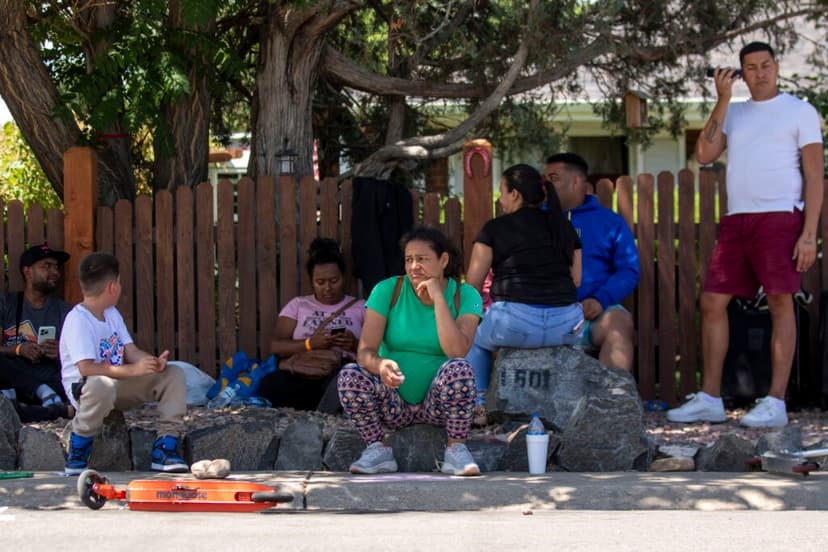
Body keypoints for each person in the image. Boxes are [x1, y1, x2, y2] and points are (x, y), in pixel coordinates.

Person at [667, 42, 824, 428]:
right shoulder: (734, 113)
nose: (759, 73)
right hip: (737, 220)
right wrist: (722, 99)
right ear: (741, 73)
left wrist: (809, 234)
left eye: (766, 65)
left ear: (777, 67)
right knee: (712, 302)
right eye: (750, 68)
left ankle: (775, 402)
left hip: (780, 217)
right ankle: (710, 398)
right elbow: (704, 154)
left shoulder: (799, 110)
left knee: (780, 304)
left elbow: (815, 176)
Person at [337, 226, 483, 475]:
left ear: (444, 260)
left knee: (460, 369)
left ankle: (456, 450)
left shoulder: (464, 295)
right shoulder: (387, 290)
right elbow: (365, 352)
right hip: (393, 404)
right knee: (350, 375)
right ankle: (377, 448)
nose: (414, 266)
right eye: (409, 259)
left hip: (437, 407)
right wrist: (381, 365)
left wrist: (438, 298)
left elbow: (456, 350)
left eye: (422, 259)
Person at [465, 164, 584, 421]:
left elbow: (473, 283)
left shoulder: (495, 228)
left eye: (502, 192)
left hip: (513, 323)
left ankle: (479, 403)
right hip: (566, 324)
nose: (500, 198)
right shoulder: (564, 227)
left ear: (515, 194)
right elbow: (576, 280)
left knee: (471, 337)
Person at [60, 252, 188, 474]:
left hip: (118, 385)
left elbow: (131, 351)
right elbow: (86, 368)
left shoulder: (111, 314)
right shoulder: (77, 320)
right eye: (119, 283)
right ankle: (78, 450)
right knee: (102, 384)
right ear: (112, 287)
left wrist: (150, 363)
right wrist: (133, 370)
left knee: (174, 374)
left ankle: (165, 448)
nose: (120, 287)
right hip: (90, 391)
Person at [544, 153, 640, 373]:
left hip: (591, 317)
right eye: (545, 180)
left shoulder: (609, 222)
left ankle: (608, 399)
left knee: (620, 322)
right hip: (544, 317)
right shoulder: (536, 220)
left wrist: (600, 299)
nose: (546, 186)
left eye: (553, 178)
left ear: (576, 182)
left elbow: (629, 269)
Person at [259, 238, 365, 411]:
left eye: (334, 280)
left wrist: (353, 344)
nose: (327, 288)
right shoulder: (298, 305)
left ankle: (324, 406)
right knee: (271, 384)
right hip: (304, 369)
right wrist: (309, 344)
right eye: (320, 282)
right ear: (311, 281)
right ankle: (324, 407)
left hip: (340, 370)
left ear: (344, 277)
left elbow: (378, 350)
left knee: (346, 381)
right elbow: (275, 346)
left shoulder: (361, 307)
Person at [0, 244, 72, 418]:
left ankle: (24, 408)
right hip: (15, 383)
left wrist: (61, 353)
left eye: (56, 267)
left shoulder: (66, 312)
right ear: (28, 272)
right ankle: (49, 406)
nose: (55, 271)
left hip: (54, 385)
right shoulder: (6, 304)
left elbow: (81, 359)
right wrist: (18, 350)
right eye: (46, 266)